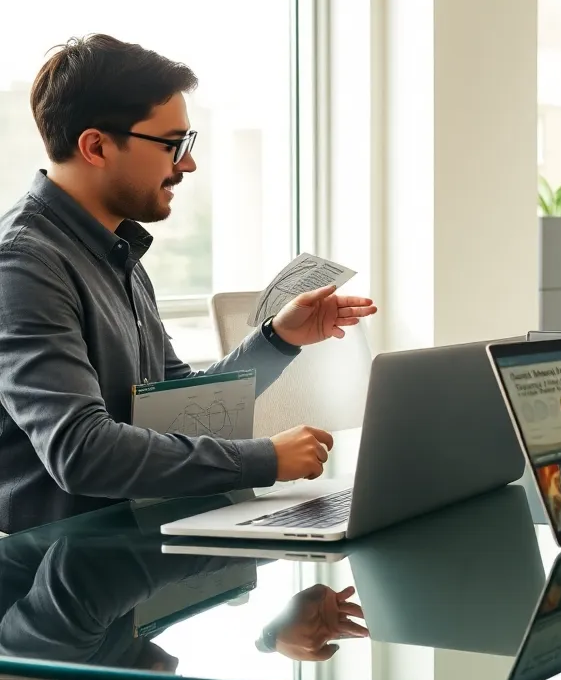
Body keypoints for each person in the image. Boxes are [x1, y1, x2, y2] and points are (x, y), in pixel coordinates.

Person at [0, 34, 377, 533]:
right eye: (172, 144)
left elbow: (179, 404)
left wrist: (277, 340)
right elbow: (81, 451)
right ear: (96, 146)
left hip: (141, 546)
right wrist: (265, 458)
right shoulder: (24, 264)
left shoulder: (116, 250)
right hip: (59, 568)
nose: (187, 164)